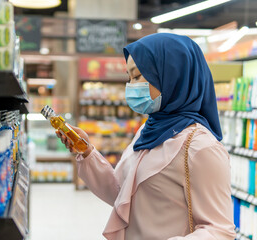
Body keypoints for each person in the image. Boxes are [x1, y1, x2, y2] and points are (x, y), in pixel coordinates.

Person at [56, 33, 236, 240]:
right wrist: (87, 151)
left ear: (171, 75)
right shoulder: (148, 131)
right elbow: (121, 194)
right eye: (129, 77)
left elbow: (219, 231)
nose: (131, 86)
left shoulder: (200, 147)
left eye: (138, 76)